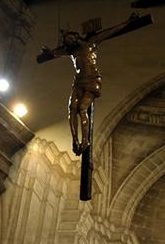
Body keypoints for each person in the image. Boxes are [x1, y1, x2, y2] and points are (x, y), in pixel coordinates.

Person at [37, 14, 142, 155]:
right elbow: (55, 53)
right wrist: (48, 51)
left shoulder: (91, 42)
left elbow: (111, 31)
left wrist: (128, 22)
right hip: (78, 82)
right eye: (66, 40)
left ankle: (85, 141)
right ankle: (75, 139)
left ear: (76, 37)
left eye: (70, 38)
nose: (69, 41)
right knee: (72, 109)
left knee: (82, 108)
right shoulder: (71, 51)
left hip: (92, 79)